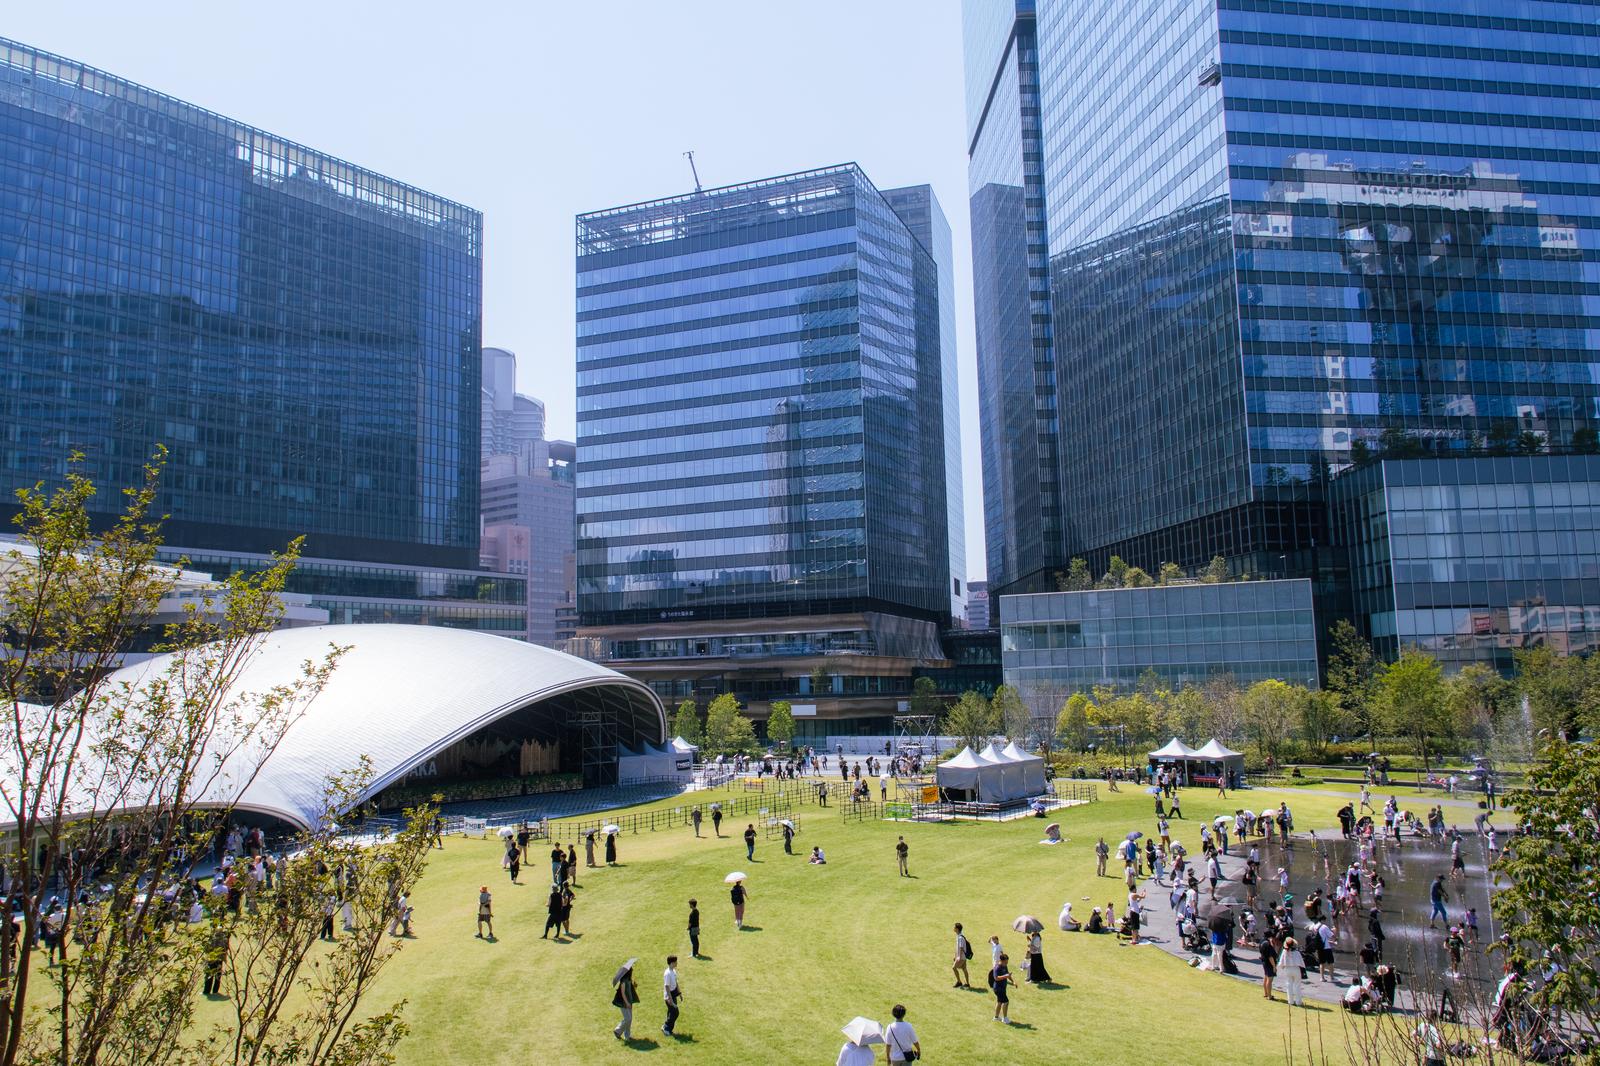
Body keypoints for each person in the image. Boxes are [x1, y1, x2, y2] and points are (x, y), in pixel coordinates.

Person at [611, 962, 638, 1041]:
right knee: (628, 1019)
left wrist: (635, 986)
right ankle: (617, 1031)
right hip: (624, 1003)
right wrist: (627, 1003)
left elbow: (630, 991)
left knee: (629, 1020)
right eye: (631, 970)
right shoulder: (623, 981)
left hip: (629, 1001)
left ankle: (627, 1037)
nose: (632, 970)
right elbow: (623, 993)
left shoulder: (629, 980)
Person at [989, 951, 1016, 1023]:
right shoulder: (997, 967)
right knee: (1006, 1002)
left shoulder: (1004, 966)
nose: (1007, 963)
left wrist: (1013, 982)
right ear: (1001, 961)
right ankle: (1005, 1018)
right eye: (1006, 962)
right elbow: (996, 978)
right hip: (998, 988)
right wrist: (1005, 976)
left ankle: (996, 1017)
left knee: (999, 1002)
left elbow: (1007, 974)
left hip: (1002, 988)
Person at [1279, 937, 1305, 1006]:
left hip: (1287, 969)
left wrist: (1282, 967)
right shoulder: (1297, 952)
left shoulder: (1284, 952)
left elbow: (1281, 962)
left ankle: (1290, 1001)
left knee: (1289, 985)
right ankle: (1298, 1002)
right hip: (1296, 969)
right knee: (1297, 985)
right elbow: (1302, 963)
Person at [661, 956, 681, 1037]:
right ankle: (666, 1027)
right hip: (669, 996)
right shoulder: (667, 973)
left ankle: (669, 1029)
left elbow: (676, 982)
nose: (677, 963)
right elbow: (667, 987)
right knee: (675, 1012)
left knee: (671, 1012)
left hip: (673, 994)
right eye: (676, 962)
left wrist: (679, 993)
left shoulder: (673, 971)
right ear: (672, 963)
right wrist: (670, 999)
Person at [952, 923, 972, 987]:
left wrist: (959, 957)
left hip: (961, 957)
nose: (953, 928)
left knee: (954, 968)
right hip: (963, 957)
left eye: (954, 927)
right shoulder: (960, 936)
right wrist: (955, 956)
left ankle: (959, 982)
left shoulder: (960, 938)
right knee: (964, 969)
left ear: (957, 929)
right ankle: (967, 983)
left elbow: (961, 948)